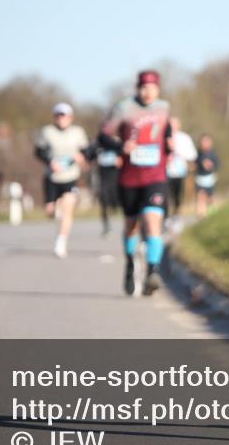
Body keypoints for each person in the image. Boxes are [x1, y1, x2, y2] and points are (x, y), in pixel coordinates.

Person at [99, 70, 173, 297]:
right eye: (143, 87)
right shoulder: (124, 108)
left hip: (156, 176)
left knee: (153, 219)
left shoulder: (164, 108)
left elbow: (165, 132)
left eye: (152, 87)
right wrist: (120, 147)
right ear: (137, 88)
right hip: (130, 178)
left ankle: (153, 271)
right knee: (131, 225)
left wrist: (169, 144)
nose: (147, 92)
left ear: (158, 89)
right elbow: (103, 136)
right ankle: (131, 263)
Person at [34, 103, 89, 259]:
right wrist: (50, 161)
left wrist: (82, 157)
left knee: (68, 207)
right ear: (54, 117)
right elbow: (38, 151)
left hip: (70, 176)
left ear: (70, 117)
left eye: (64, 115)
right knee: (50, 212)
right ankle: (54, 209)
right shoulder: (47, 132)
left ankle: (61, 241)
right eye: (58, 115)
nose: (61, 118)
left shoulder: (78, 132)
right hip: (52, 177)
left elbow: (87, 150)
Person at [87, 136, 123, 235]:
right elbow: (88, 158)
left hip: (118, 179)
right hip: (103, 179)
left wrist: (121, 160)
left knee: (119, 204)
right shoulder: (97, 146)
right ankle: (106, 226)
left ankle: (129, 226)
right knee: (103, 201)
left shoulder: (118, 145)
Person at [166, 117, 198, 220]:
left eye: (174, 124)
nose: (172, 127)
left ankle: (176, 215)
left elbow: (192, 155)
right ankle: (165, 217)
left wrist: (180, 154)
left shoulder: (184, 138)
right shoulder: (163, 136)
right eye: (170, 124)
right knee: (165, 195)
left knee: (177, 196)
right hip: (165, 172)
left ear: (179, 125)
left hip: (180, 172)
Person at [194, 134, 219, 217]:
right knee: (200, 196)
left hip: (210, 179)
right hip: (200, 178)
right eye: (203, 141)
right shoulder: (198, 153)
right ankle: (201, 215)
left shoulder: (213, 154)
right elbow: (194, 164)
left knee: (210, 198)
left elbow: (218, 164)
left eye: (207, 141)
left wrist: (211, 165)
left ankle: (213, 213)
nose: (205, 143)